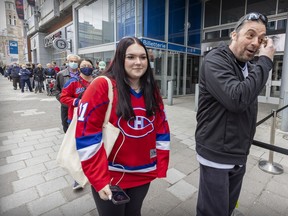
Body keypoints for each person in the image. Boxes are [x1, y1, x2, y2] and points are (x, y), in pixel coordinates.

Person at [75, 36, 170, 216]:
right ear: (120, 58)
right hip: (111, 174)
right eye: (131, 57)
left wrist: (161, 163)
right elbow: (87, 134)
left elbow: (161, 127)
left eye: (143, 57)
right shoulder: (102, 85)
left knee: (135, 213)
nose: (138, 62)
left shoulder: (152, 88)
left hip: (143, 173)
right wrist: (98, 179)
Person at [195, 12, 275, 216]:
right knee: (213, 212)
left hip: (238, 153)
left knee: (228, 209)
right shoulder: (215, 60)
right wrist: (265, 61)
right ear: (234, 35)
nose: (256, 43)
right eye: (250, 35)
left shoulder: (248, 67)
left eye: (261, 39)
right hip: (216, 154)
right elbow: (237, 99)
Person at [60, 59, 94, 190]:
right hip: (76, 121)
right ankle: (77, 178)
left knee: (93, 148)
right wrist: (76, 102)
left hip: (95, 120)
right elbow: (63, 97)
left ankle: (93, 173)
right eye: (84, 66)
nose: (87, 67)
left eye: (89, 66)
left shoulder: (98, 81)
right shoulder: (73, 82)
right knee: (77, 149)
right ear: (79, 68)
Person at [53, 54, 81, 133]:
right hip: (66, 105)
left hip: (78, 105)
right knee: (66, 125)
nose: (73, 63)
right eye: (71, 61)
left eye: (75, 61)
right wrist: (62, 100)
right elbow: (56, 89)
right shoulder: (61, 74)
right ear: (67, 62)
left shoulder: (81, 74)